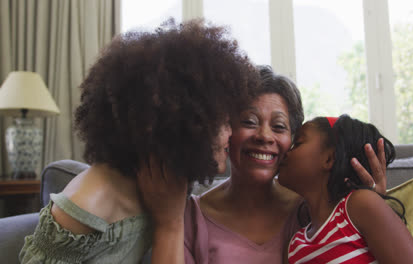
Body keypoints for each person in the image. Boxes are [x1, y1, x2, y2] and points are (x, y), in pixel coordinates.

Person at [19, 19, 258, 263]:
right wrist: (170, 224)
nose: (232, 133)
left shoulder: (173, 181)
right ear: (182, 122)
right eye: (224, 122)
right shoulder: (85, 210)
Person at [160, 65, 389, 263]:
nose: (264, 136)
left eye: (279, 127)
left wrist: (375, 207)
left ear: (293, 142)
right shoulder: (190, 216)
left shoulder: (317, 209)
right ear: (226, 130)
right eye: (249, 122)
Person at [278, 115, 413, 263]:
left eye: (297, 143)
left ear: (330, 158)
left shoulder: (359, 205)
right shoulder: (294, 248)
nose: (286, 152)